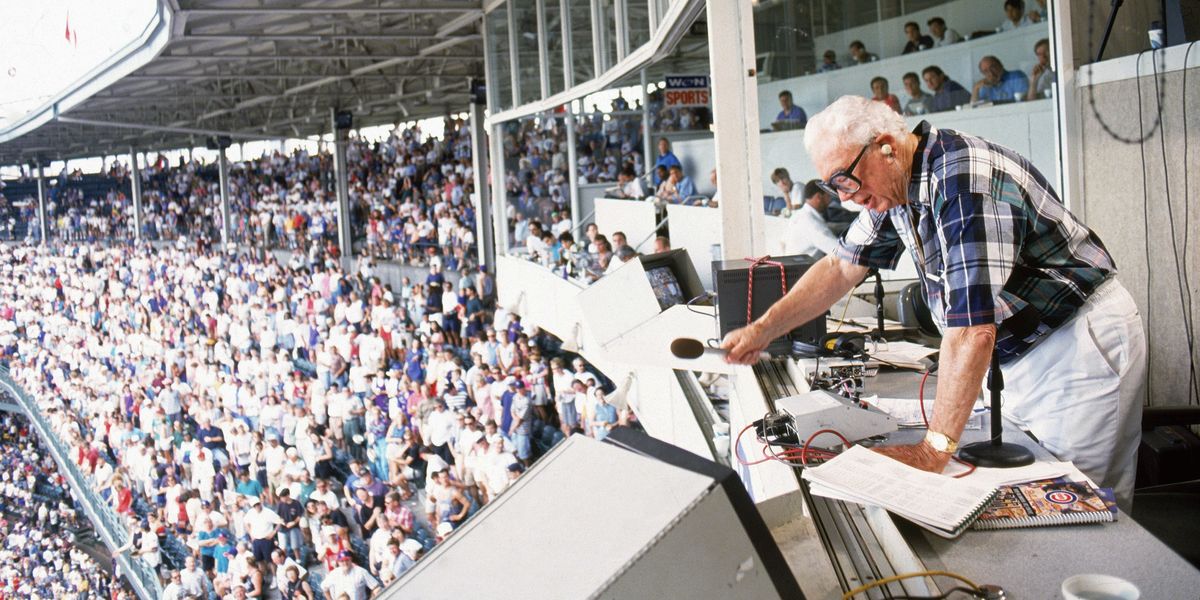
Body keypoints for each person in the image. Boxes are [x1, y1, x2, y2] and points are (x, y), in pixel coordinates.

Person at [720, 96, 1145, 511]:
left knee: (1083, 504)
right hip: (1025, 352)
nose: (845, 196)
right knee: (1047, 496)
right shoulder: (897, 185)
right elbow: (840, 267)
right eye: (832, 186)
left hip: (1076, 345)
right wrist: (763, 330)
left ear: (885, 146)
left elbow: (973, 329)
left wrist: (932, 451)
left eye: (846, 179)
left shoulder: (963, 181)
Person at [784, 180, 841, 258]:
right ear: (819, 197)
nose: (830, 201)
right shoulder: (813, 224)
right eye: (828, 196)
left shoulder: (798, 215)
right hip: (805, 268)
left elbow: (782, 243)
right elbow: (840, 252)